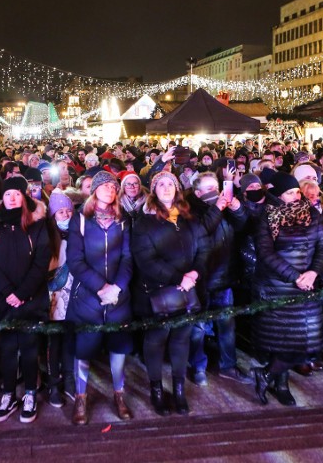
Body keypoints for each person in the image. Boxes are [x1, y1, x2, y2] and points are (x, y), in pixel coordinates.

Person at [132, 171, 209, 416]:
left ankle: (178, 389)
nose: (166, 188)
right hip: (158, 292)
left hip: (188, 291)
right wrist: (179, 278)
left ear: (177, 189)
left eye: (170, 184)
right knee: (156, 341)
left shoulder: (189, 218)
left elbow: (204, 248)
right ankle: (156, 389)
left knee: (181, 340)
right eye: (161, 185)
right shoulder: (144, 222)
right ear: (154, 190)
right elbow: (146, 259)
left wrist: (194, 274)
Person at [251, 172, 323, 407]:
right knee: (282, 340)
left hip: (307, 284)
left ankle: (266, 375)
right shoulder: (266, 216)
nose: (296, 196)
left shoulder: (312, 213)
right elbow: (266, 253)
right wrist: (295, 277)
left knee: (307, 342)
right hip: (279, 287)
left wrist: (314, 272)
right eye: (290, 192)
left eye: (297, 191)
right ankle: (281, 385)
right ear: (278, 195)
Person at [0, 176, 51, 424]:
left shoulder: (37, 224)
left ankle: (30, 393)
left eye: (16, 194)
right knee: (8, 348)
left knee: (30, 349)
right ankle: (8, 393)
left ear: (24, 197)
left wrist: (22, 293)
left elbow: (42, 261)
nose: (11, 198)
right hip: (3, 299)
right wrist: (7, 291)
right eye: (8, 194)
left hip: (30, 298)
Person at [66, 172, 134, 424]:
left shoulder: (123, 220)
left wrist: (118, 287)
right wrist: (101, 287)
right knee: (83, 352)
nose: (109, 189)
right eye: (104, 186)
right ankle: (81, 397)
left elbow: (128, 257)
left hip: (118, 299)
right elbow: (75, 260)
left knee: (118, 350)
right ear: (94, 191)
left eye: (113, 186)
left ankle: (119, 394)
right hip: (88, 299)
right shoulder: (81, 220)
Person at [186, 170, 253, 386]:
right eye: (207, 189)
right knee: (197, 328)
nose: (213, 193)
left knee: (227, 327)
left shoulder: (224, 209)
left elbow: (244, 227)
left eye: (215, 188)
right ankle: (197, 367)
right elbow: (201, 232)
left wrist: (237, 209)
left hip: (225, 276)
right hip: (201, 280)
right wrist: (218, 207)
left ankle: (228, 365)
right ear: (197, 193)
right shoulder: (190, 211)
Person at [45, 190, 76, 409]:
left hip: (73, 294)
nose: (65, 215)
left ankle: (69, 377)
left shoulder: (78, 233)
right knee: (53, 341)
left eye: (68, 211)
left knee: (70, 339)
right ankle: (53, 382)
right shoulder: (47, 236)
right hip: (53, 296)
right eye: (60, 212)